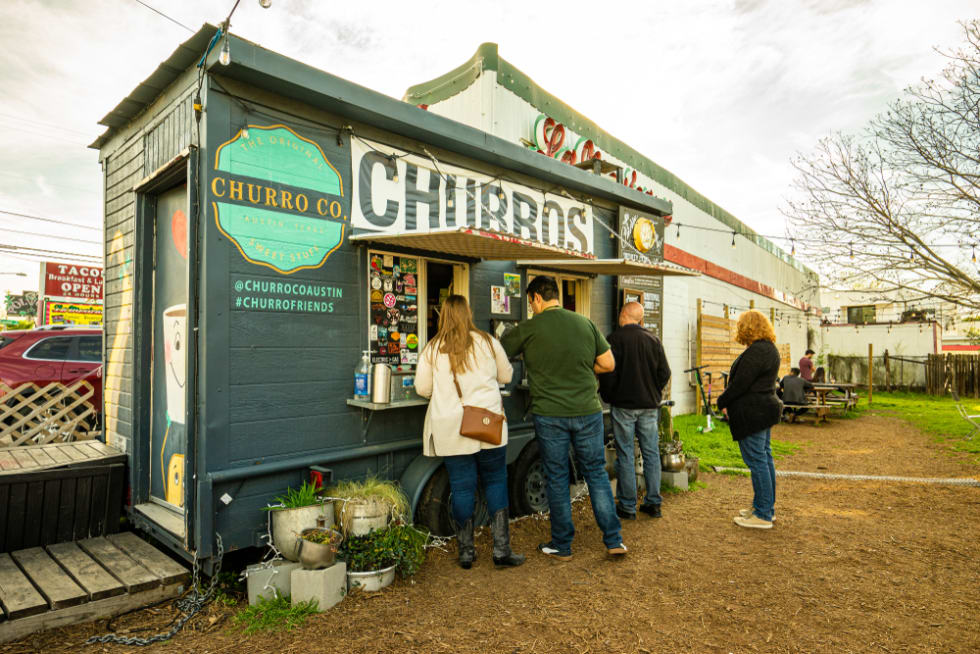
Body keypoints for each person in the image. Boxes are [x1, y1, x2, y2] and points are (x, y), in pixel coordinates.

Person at [501, 275, 626, 560]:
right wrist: (581, 365)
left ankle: (562, 545)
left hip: (550, 414)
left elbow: (498, 354)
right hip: (588, 411)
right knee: (596, 472)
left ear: (535, 298)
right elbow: (608, 363)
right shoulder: (584, 323)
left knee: (556, 477)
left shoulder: (529, 328)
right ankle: (614, 539)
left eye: (530, 302)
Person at [414, 295, 525, 570]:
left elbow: (422, 389)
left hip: (452, 428)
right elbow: (507, 376)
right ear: (469, 313)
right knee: (496, 482)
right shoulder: (488, 342)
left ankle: (466, 551)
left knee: (462, 486)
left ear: (443, 316)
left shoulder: (433, 348)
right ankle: (501, 550)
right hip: (488, 423)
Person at [598, 302, 671, 520]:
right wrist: (653, 391)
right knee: (651, 454)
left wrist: (608, 396)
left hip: (623, 405)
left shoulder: (613, 339)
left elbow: (607, 373)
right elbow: (664, 372)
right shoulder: (653, 340)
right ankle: (653, 502)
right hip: (649, 405)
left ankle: (628, 506)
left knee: (626, 454)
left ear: (623, 315)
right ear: (640, 319)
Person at [716, 310, 782, 530]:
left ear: (749, 327)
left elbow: (740, 384)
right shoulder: (767, 349)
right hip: (762, 410)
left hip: (753, 412)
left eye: (741, 325)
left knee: (757, 462)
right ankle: (764, 508)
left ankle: (763, 514)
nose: (739, 329)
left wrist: (721, 400)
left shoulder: (758, 351)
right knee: (764, 459)